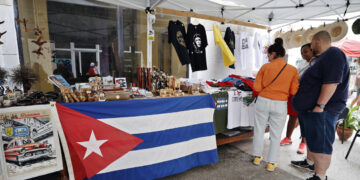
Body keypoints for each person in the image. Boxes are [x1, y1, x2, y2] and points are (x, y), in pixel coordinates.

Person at [292, 31, 349, 180]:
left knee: (321, 143)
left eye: (311, 43)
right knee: (312, 139)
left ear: (318, 41)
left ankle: (320, 176)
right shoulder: (322, 58)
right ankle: (310, 163)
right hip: (312, 109)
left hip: (323, 110)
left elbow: (332, 83)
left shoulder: (333, 54)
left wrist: (320, 106)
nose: (311, 46)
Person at [252, 38, 299, 172]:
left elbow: (256, 86)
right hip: (280, 103)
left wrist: (266, 92)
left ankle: (256, 157)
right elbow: (294, 91)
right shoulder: (292, 70)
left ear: (273, 53)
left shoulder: (265, 67)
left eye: (268, 54)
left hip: (263, 101)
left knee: (259, 130)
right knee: (276, 134)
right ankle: (271, 163)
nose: (267, 57)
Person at [280, 43, 315, 156]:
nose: (303, 54)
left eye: (306, 52)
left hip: (307, 96)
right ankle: (288, 137)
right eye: (302, 52)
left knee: (304, 120)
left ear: (312, 51)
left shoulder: (316, 64)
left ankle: (303, 143)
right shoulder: (302, 63)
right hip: (296, 93)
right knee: (292, 116)